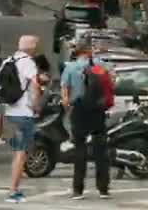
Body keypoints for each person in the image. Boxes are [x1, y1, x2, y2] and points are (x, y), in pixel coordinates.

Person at [61, 36, 112, 200]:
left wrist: (68, 109)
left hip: (79, 111)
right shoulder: (100, 65)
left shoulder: (70, 68)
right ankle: (103, 189)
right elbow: (112, 83)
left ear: (77, 52)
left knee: (80, 149)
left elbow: (65, 94)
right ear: (89, 51)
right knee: (100, 150)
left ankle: (78, 190)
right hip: (97, 110)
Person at [3, 34, 40, 203]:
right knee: (20, 153)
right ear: (31, 47)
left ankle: (14, 185)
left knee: (18, 152)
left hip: (10, 113)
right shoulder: (28, 62)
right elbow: (34, 85)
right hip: (23, 114)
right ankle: (13, 191)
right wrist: (36, 105)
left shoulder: (9, 60)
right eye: (36, 45)